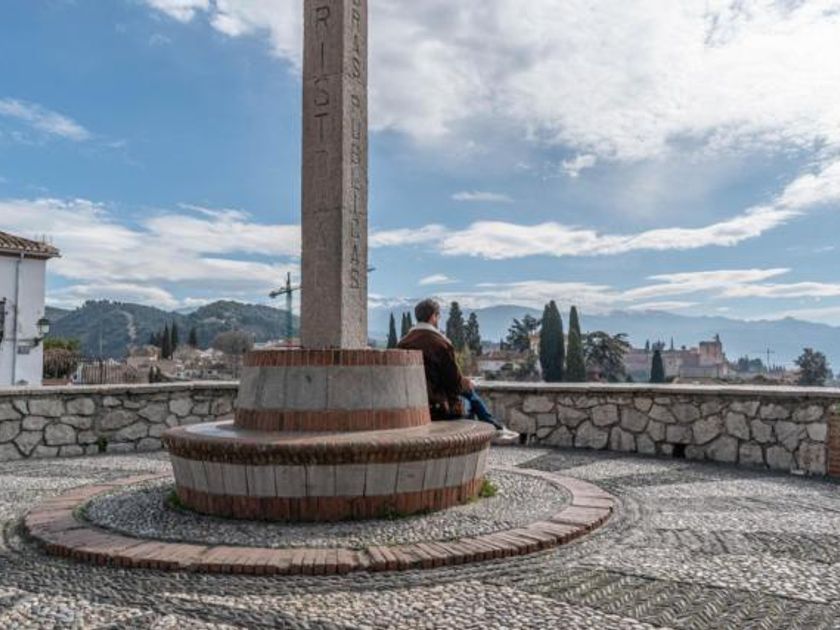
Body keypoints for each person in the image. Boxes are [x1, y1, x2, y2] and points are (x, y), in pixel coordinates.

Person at [398, 298, 520, 445]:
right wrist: (466, 383)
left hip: (413, 406)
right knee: (470, 395)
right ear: (433, 316)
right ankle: (493, 430)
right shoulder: (441, 344)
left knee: (468, 392)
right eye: (438, 316)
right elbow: (454, 384)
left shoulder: (402, 343)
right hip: (438, 408)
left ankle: (496, 428)